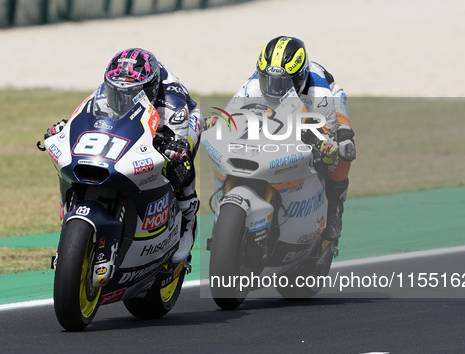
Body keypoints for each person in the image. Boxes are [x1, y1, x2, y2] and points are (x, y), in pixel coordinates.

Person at [46, 48, 202, 265]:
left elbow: (179, 142)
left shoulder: (171, 102)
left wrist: (173, 145)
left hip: (178, 123)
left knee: (175, 160)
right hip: (135, 119)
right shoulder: (107, 89)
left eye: (131, 93)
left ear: (150, 87)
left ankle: (188, 217)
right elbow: (82, 116)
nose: (123, 98)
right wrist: (63, 129)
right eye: (117, 92)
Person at [234, 36, 356, 244]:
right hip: (293, 110)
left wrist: (321, 144)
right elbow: (234, 115)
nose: (273, 89)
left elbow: (327, 142)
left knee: (343, 149)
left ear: (299, 78)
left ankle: (335, 208)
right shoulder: (253, 84)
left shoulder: (320, 93)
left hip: (324, 108)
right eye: (268, 80)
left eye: (283, 83)